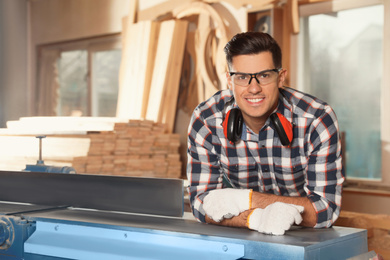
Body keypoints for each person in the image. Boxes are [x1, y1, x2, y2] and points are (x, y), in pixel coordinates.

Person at [186, 31, 344, 235]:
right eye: (242, 77)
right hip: (242, 234)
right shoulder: (206, 120)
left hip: (303, 237)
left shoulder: (317, 119)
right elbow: (201, 204)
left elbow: (326, 209)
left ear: (280, 77)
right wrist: (255, 219)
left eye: (264, 75)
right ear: (229, 80)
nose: (254, 89)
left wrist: (243, 200)